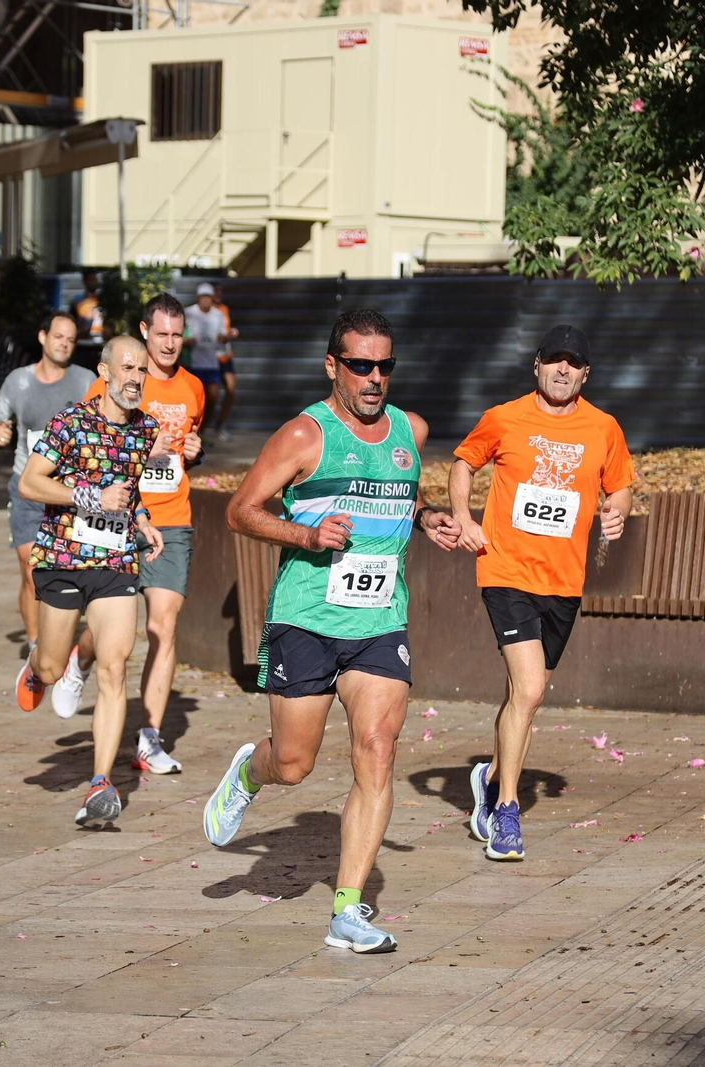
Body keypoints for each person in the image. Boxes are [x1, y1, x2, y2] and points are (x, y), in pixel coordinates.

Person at [203, 308, 459, 953]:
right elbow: (240, 511)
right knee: (294, 763)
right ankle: (249, 773)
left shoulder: (410, 430)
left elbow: (403, 496)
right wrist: (306, 535)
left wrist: (427, 518)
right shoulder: (302, 436)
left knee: (378, 749)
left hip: (379, 621)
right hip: (306, 620)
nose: (375, 379)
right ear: (333, 367)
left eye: (385, 366)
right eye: (361, 366)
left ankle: (348, 909)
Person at [448, 324, 634, 861]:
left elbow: (619, 484)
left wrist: (615, 512)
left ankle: (489, 778)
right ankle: (507, 810)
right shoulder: (504, 418)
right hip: (505, 573)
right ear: (536, 366)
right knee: (528, 691)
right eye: (554, 360)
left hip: (564, 583)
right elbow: (464, 463)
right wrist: (463, 517)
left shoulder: (603, 427)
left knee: (525, 699)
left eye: (573, 363)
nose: (563, 370)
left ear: (585, 373)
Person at [14, 334, 165, 827]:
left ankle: (101, 782)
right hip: (62, 556)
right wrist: (90, 496)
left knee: (114, 666)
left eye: (141, 370)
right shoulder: (70, 423)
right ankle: (37, 667)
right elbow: (30, 482)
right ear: (104, 372)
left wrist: (140, 520)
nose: (135, 378)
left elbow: (129, 489)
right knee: (56, 669)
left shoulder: (146, 430)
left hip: (115, 562)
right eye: (126, 368)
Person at [60, 293, 204, 776]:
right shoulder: (117, 382)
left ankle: (149, 738)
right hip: (118, 518)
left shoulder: (194, 389)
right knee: (107, 635)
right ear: (144, 333)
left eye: (177, 335)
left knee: (162, 627)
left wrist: (194, 450)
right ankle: (78, 662)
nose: (169, 344)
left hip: (171, 516)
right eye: (161, 334)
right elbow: (87, 445)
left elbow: (188, 445)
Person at [0, 312, 95, 658]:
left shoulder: (85, 381)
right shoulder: (18, 381)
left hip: (71, 492)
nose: (64, 344)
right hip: (27, 487)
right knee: (31, 566)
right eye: (58, 337)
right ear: (42, 337)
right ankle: (36, 646)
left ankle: (60, 633)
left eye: (70, 339)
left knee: (66, 570)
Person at [183, 282, 232, 421]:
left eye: (208, 297)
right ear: (198, 298)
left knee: (212, 397)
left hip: (212, 363)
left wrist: (228, 337)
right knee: (193, 400)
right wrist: (187, 340)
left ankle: (204, 428)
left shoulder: (218, 315)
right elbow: (178, 334)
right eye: (203, 297)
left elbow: (222, 336)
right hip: (193, 364)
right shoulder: (188, 313)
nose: (205, 300)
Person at [212, 283, 239, 441]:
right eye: (215, 291)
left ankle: (220, 423)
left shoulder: (224, 309)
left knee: (231, 389)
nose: (218, 294)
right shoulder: (206, 312)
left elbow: (224, 331)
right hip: (210, 358)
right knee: (211, 394)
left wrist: (230, 334)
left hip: (225, 356)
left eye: (219, 291)